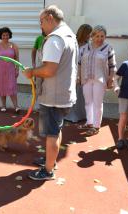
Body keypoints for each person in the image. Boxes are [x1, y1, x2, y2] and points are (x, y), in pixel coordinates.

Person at [23, 5, 78, 180]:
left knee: (52, 133)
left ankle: (47, 170)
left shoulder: (55, 38)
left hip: (54, 95)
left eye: (41, 22)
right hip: (63, 93)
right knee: (56, 129)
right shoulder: (70, 35)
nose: (41, 26)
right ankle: (50, 161)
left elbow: (49, 70)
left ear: (49, 18)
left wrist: (31, 71)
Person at [77, 25, 117, 135]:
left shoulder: (108, 48)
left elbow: (112, 66)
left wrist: (111, 79)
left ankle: (96, 126)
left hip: (100, 80)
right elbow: (79, 64)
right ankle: (89, 122)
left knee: (97, 103)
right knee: (88, 102)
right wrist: (78, 77)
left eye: (102, 36)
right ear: (92, 36)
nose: (100, 38)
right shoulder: (84, 48)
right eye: (97, 36)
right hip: (86, 79)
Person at [65, 24, 92, 122]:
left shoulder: (88, 45)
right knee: (72, 93)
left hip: (83, 71)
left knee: (80, 94)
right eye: (89, 33)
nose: (90, 36)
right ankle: (71, 115)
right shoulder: (73, 42)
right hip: (73, 70)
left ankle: (80, 114)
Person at [0, 27, 20, 113]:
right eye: (3, 35)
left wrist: (17, 69)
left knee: (11, 88)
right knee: (2, 88)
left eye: (7, 35)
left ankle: (16, 106)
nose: (5, 37)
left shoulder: (14, 45)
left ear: (9, 35)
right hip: (0, 70)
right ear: (0, 36)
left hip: (11, 70)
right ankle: (3, 105)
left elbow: (17, 59)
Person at [31, 31, 46, 112]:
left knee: (47, 87)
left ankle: (44, 105)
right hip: (40, 67)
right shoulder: (39, 38)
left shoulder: (53, 38)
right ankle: (38, 105)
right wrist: (33, 63)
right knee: (38, 86)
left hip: (48, 68)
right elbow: (33, 50)